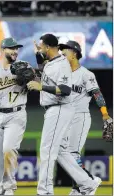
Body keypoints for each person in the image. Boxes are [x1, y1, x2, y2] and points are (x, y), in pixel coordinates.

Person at [27, 34, 102, 195]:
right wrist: (36, 55)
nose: (40, 49)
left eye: (42, 47)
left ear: (48, 47)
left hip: (59, 107)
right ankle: (87, 183)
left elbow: (66, 90)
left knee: (47, 151)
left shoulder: (62, 64)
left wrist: (41, 87)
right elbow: (43, 71)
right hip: (56, 109)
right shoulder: (52, 63)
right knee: (61, 151)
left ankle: (45, 191)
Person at [59, 40, 113, 195]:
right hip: (65, 117)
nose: (63, 54)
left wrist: (105, 114)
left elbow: (97, 94)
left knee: (72, 153)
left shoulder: (86, 74)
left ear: (74, 53)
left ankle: (82, 185)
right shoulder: (62, 75)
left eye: (66, 51)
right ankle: (85, 182)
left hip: (80, 116)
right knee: (62, 152)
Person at [0, 38, 28, 195]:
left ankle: (9, 188)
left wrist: (29, 76)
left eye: (17, 48)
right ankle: (2, 187)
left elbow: (34, 81)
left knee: (9, 149)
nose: (15, 51)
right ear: (3, 50)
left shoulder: (23, 66)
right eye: (11, 48)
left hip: (16, 114)